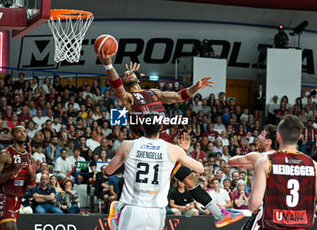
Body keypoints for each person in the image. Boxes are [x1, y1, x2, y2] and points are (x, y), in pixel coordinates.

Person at [97, 53, 243, 228]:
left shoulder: (154, 93)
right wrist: (108, 65)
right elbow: (117, 88)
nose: (127, 74)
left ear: (139, 78)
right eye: (124, 75)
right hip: (149, 144)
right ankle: (218, 214)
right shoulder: (128, 99)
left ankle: (218, 214)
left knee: (189, 180)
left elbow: (177, 97)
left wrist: (195, 87)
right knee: (188, 179)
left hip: (166, 142)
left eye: (130, 73)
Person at [105, 114, 205, 230]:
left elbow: (108, 171)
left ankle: (118, 208)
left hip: (132, 207)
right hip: (157, 211)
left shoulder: (127, 145)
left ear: (142, 126)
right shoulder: (173, 150)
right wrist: (182, 152)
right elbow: (200, 169)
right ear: (161, 127)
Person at [248, 115, 317, 229]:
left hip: (273, 226)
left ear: (278, 136)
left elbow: (254, 204)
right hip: (300, 226)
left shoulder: (265, 162)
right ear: (300, 137)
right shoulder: (313, 165)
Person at [0, 126, 40, 230]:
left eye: (24, 132)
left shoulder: (29, 157)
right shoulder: (5, 154)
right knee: (11, 228)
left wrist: (31, 174)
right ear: (12, 135)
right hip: (3, 196)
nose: (22, 133)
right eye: (19, 131)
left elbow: (31, 185)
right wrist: (13, 172)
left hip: (17, 199)